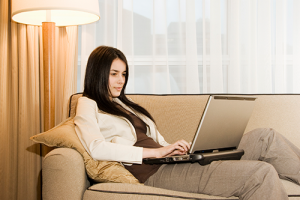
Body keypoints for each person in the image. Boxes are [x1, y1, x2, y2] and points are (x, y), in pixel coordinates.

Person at [74, 45, 300, 200]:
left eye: (123, 74)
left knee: (265, 137)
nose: (120, 80)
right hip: (153, 173)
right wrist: (158, 153)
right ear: (98, 73)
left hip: (170, 162)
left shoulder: (126, 104)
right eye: (114, 74)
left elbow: (156, 141)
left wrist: (178, 148)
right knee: (261, 173)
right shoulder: (88, 103)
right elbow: (96, 148)